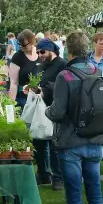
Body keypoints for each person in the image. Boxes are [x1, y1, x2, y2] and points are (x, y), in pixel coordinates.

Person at [45, 31, 103, 204]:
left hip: (71, 143)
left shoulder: (66, 76)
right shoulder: (99, 73)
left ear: (68, 50)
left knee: (74, 195)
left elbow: (58, 112)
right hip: (96, 141)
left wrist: (46, 109)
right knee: (95, 194)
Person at [35, 38, 65, 189]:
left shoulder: (62, 64)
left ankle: (58, 178)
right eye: (38, 52)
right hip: (41, 108)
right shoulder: (42, 66)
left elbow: (61, 87)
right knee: (39, 140)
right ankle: (43, 174)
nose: (39, 55)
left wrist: (44, 90)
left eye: (42, 52)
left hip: (56, 109)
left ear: (51, 51)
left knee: (54, 144)